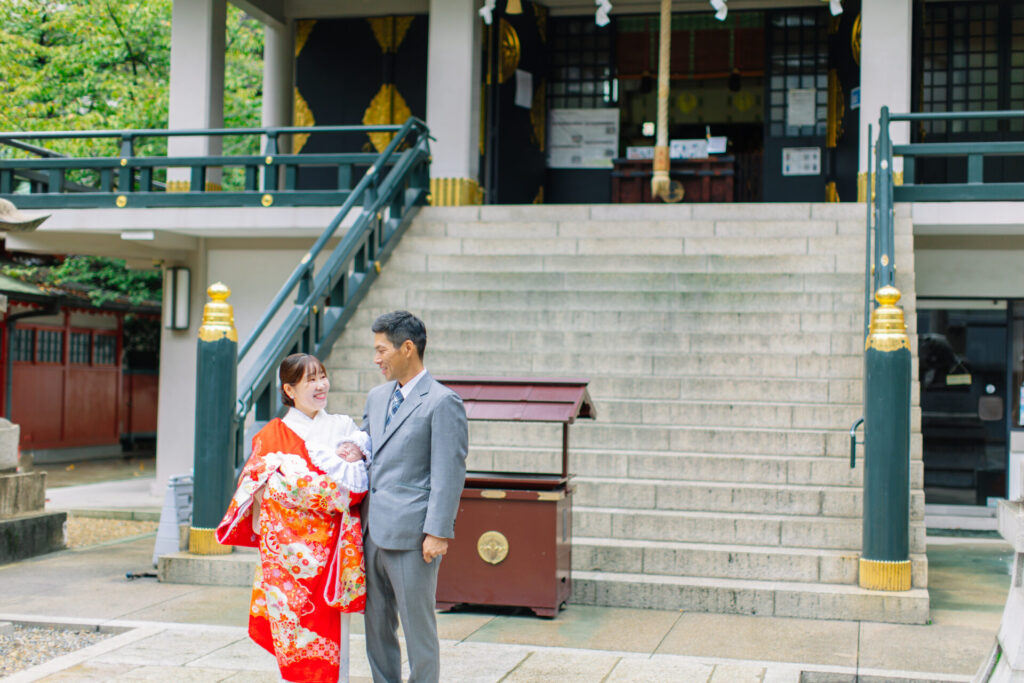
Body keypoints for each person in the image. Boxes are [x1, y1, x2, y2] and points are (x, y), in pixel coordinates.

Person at [216, 353, 370, 683]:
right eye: (310, 380)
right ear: (289, 389)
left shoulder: (343, 427)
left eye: (322, 376)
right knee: (293, 643)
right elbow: (260, 488)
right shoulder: (272, 435)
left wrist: (294, 485)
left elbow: (354, 487)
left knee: (335, 646)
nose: (321, 385)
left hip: (333, 556)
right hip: (289, 560)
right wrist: (319, 489)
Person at [361, 311, 468, 683]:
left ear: (407, 348)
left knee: (417, 629)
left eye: (381, 350)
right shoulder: (376, 398)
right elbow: (364, 453)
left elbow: (448, 473)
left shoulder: (442, 402)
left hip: (412, 535)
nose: (376, 359)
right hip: (370, 531)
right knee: (376, 627)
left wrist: (437, 532)